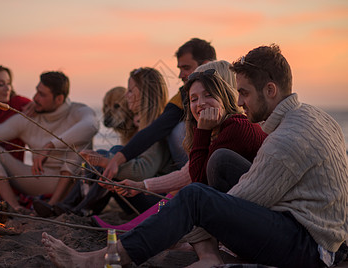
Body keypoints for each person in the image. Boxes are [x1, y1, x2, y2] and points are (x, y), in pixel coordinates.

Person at [41, 44, 348, 268]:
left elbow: (231, 204)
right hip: (319, 238)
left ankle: (102, 260)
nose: (240, 101)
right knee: (196, 197)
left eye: (244, 93)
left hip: (309, 248)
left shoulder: (285, 142)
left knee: (195, 198)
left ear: (270, 90)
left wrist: (176, 227)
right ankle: (200, 252)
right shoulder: (314, 117)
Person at [94, 60, 266, 231]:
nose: (200, 103)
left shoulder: (235, 128)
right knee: (176, 194)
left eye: (208, 94)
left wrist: (202, 132)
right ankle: (138, 226)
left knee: (182, 193)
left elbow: (196, 183)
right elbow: (188, 174)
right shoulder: (219, 128)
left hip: (251, 216)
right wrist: (141, 186)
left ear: (223, 89)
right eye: (194, 98)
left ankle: (140, 227)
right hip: (231, 206)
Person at [34, 67, 177, 217]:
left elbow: (142, 172)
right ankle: (70, 206)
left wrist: (105, 162)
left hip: (158, 204)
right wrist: (104, 161)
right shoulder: (145, 125)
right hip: (140, 198)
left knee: (113, 152)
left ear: (144, 95)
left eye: (130, 91)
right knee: (108, 156)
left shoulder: (155, 129)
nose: (126, 96)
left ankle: (76, 208)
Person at [0, 71, 99, 213]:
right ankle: (14, 207)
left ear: (59, 99)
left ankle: (52, 204)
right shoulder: (31, 117)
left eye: (42, 95)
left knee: (80, 143)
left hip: (73, 184)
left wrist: (50, 145)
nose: (35, 98)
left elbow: (91, 126)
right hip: (41, 180)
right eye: (37, 91)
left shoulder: (78, 111)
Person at [104, 38, 217, 178]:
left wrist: (114, 160)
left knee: (178, 130)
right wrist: (118, 158)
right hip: (188, 173)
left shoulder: (228, 92)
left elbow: (143, 170)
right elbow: (158, 127)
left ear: (206, 65)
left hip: (212, 171)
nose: (180, 75)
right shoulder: (183, 95)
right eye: (179, 69)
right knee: (115, 153)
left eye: (186, 68)